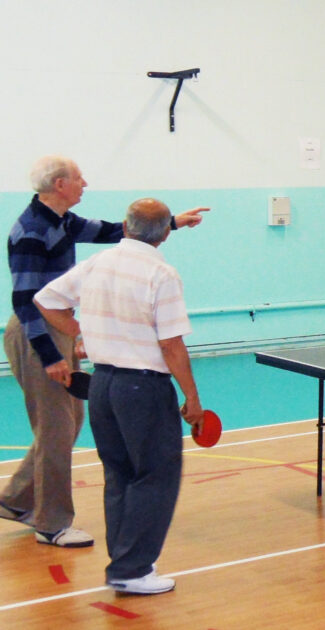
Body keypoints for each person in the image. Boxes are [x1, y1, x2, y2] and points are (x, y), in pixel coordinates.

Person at [0, 156, 206, 549]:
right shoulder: (30, 230)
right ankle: (52, 523)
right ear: (60, 184)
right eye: (78, 178)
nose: (85, 183)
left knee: (68, 422)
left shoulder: (62, 220)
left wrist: (172, 222)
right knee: (56, 429)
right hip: (36, 332)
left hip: (54, 327)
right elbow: (27, 300)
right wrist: (51, 355)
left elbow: (119, 232)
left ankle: (16, 499)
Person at [35, 198, 202, 595]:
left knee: (120, 475)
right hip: (143, 389)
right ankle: (133, 569)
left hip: (103, 387)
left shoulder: (99, 263)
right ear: (165, 234)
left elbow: (45, 300)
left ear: (125, 228)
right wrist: (192, 398)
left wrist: (82, 332)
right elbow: (172, 345)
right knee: (155, 476)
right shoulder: (162, 274)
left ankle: (125, 561)